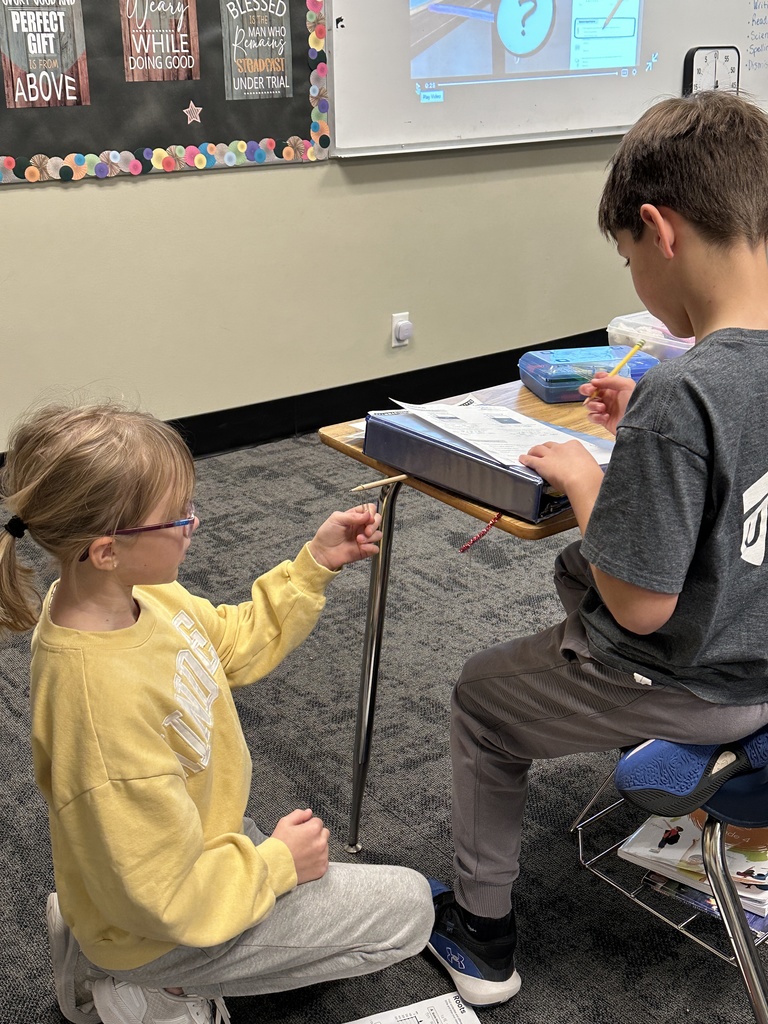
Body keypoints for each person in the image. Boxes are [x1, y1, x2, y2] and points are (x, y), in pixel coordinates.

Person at [426, 88, 768, 1008]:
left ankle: (481, 937)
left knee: (481, 699)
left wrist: (587, 480)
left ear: (659, 229)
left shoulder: (683, 395)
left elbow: (640, 604)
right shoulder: (683, 390)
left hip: (696, 681)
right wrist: (649, 432)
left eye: (626, 258)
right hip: (760, 652)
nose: (634, 283)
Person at [0, 403, 433, 1024]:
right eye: (176, 517)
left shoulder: (134, 593)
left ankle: (95, 927)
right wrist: (275, 864)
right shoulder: (99, 707)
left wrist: (314, 565)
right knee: (409, 910)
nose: (193, 524)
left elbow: (228, 643)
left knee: (329, 883)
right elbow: (164, 895)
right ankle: (145, 980)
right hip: (163, 917)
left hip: (194, 847)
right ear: (105, 550)